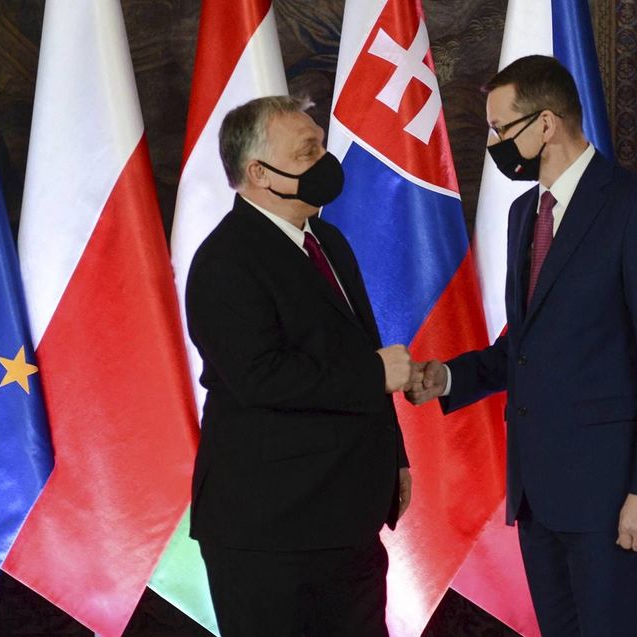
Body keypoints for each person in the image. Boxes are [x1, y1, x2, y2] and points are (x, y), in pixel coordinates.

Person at [408, 55, 637, 636]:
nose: (493, 144)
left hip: (613, 499)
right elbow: (529, 345)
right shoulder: (523, 214)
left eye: (500, 129)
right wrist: (450, 377)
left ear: (545, 125)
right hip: (538, 498)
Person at [185, 95, 417, 637]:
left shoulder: (328, 241)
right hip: (271, 531)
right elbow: (260, 376)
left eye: (320, 146)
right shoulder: (225, 260)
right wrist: (373, 375)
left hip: (346, 521)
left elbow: (363, 351)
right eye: (308, 151)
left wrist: (395, 458)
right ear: (258, 173)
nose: (325, 162)